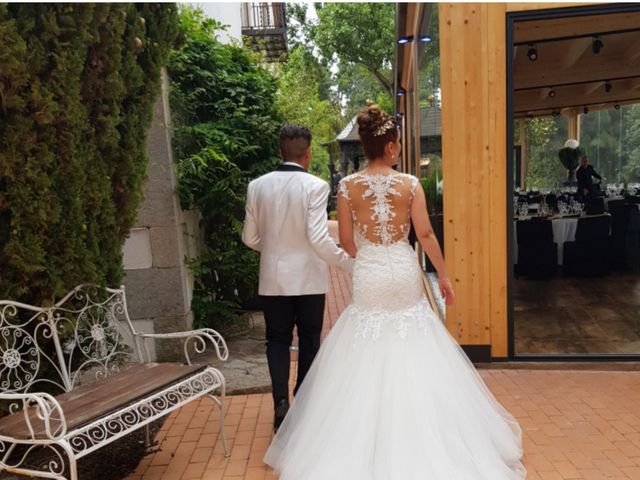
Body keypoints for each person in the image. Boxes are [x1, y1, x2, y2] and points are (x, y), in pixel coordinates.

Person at [263, 106, 526, 479]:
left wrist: (370, 255)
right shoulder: (410, 184)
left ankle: (360, 444)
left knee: (365, 347)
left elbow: (348, 242)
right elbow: (427, 235)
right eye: (398, 142)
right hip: (403, 270)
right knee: (416, 342)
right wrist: (446, 277)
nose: (400, 148)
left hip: (369, 272)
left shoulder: (346, 186)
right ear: (388, 146)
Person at [242, 125, 354, 432]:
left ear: (280, 151)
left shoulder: (257, 186)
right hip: (307, 279)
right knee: (309, 340)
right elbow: (318, 239)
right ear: (308, 153)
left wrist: (276, 249)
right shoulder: (316, 187)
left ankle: (280, 402)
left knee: (276, 340)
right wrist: (349, 263)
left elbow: (250, 238)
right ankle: (302, 404)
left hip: (273, 279)